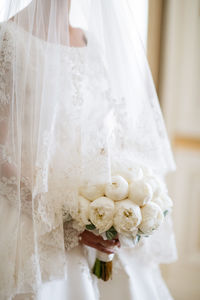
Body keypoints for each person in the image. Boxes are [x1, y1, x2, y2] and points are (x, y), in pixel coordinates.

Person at [0, 0, 177, 299]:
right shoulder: (9, 40)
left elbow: (105, 135)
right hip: (30, 212)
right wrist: (66, 220)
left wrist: (115, 206)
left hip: (99, 211)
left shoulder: (92, 43)